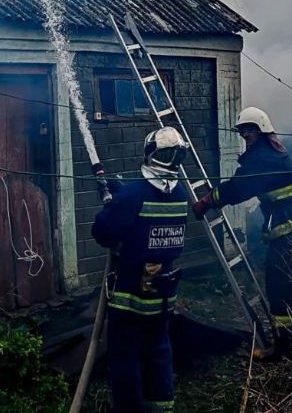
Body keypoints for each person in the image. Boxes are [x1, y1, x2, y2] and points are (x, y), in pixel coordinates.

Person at [192, 107, 292, 361]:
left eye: (250, 130)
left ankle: (283, 349)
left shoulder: (263, 158)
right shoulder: (273, 152)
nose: (245, 135)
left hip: (290, 232)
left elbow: (238, 188)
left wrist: (207, 201)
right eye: (243, 131)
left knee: (279, 287)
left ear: (262, 131)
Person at [91, 126, 189, 413]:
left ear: (150, 153)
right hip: (164, 295)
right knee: (158, 351)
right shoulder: (181, 194)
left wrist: (112, 205)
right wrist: (121, 199)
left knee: (125, 357)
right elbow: (149, 218)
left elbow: (103, 233)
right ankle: (160, 407)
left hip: (131, 295)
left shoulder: (133, 195)